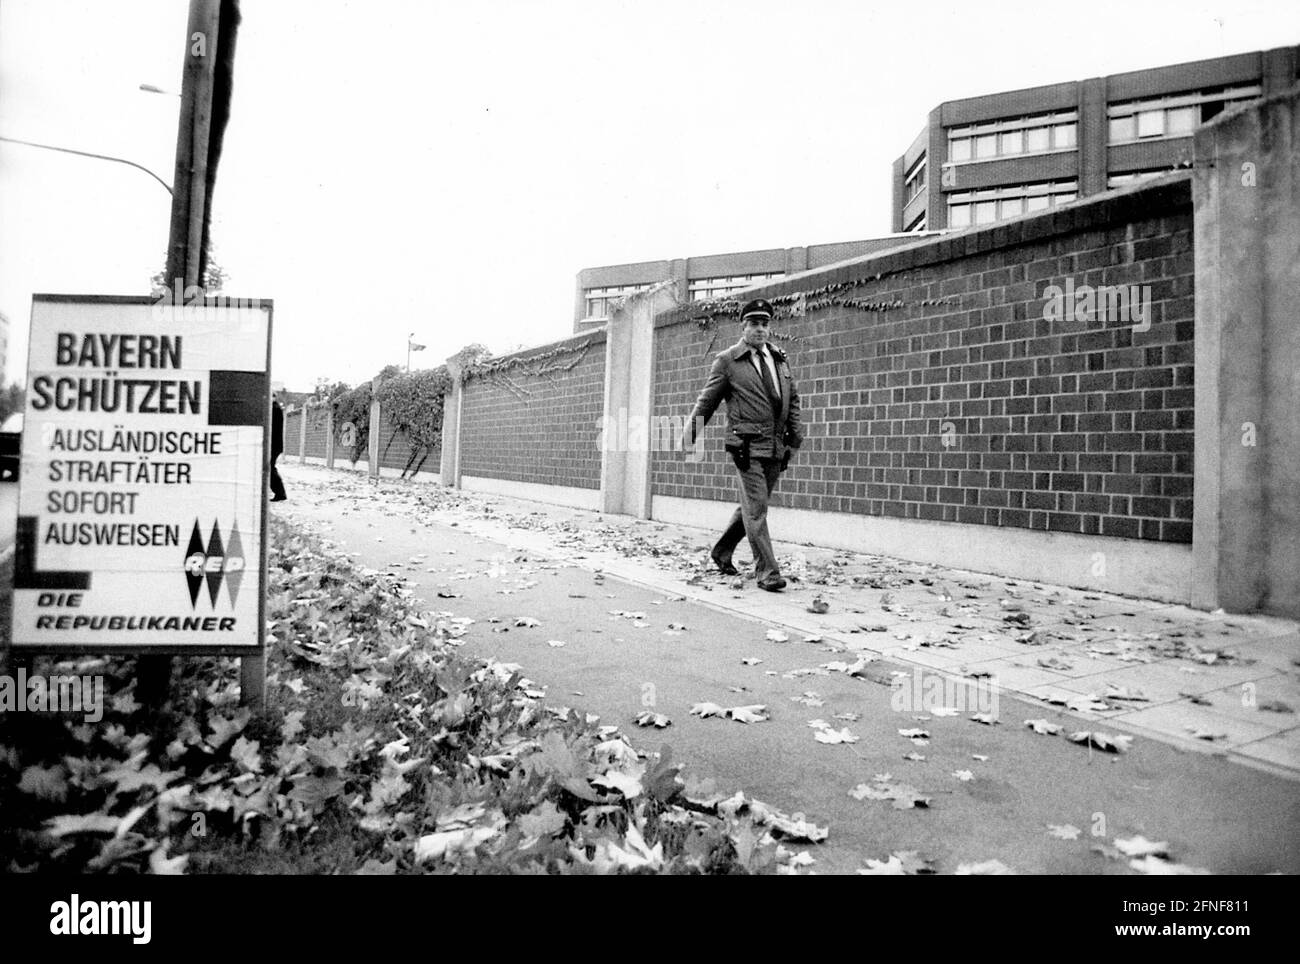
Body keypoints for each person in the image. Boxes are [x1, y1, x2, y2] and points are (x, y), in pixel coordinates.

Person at [685, 298, 802, 591]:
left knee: (752, 507)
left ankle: (721, 551)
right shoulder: (727, 361)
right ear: (743, 326)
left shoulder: (778, 358)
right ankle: (768, 573)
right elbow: (707, 401)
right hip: (745, 446)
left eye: (765, 324)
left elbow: (793, 398)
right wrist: (690, 435)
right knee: (757, 509)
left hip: (776, 445)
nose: (760, 329)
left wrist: (795, 435)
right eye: (754, 324)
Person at [270, 393, 287, 502]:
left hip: (273, 445)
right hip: (275, 445)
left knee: (270, 468)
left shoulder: (274, 409)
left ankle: (280, 493)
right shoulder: (276, 408)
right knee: (270, 468)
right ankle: (280, 493)